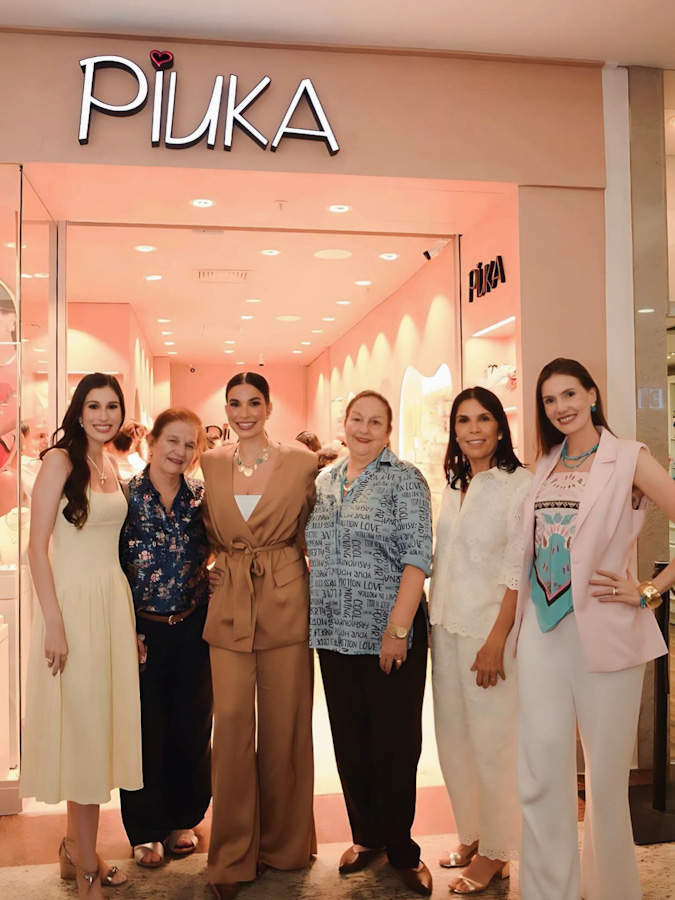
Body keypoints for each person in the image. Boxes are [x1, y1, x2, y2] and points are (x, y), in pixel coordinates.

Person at [514, 358, 670, 900]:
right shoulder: (545, 463)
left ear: (592, 395)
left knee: (603, 781)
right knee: (541, 768)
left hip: (606, 630)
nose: (561, 407)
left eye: (569, 394)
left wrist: (649, 590)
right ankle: (546, 891)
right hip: (541, 631)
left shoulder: (628, 457)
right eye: (550, 399)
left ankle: (610, 891)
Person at [306, 390, 434, 897]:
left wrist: (398, 630)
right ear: (344, 423)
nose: (363, 429)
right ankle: (367, 836)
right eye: (356, 419)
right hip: (335, 633)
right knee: (350, 740)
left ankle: (402, 848)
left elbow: (417, 557)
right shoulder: (325, 480)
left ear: (388, 430)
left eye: (374, 421)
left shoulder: (405, 479)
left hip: (389, 634)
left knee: (395, 744)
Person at [20, 373, 142, 899]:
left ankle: (76, 850)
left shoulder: (109, 463)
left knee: (96, 732)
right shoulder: (59, 461)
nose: (103, 416)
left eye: (112, 406)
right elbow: (35, 548)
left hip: (111, 605)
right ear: (78, 410)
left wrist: (130, 626)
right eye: (94, 406)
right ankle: (86, 863)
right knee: (84, 732)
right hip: (71, 609)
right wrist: (53, 622)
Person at [202, 372, 318, 900]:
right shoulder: (210, 463)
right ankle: (230, 855)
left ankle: (285, 846)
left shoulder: (302, 463)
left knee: (285, 726)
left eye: (253, 402)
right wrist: (208, 567)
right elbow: (203, 533)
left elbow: (315, 532)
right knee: (229, 728)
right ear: (226, 410)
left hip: (286, 600)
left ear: (269, 407)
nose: (244, 412)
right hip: (229, 601)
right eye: (234, 403)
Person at [429, 387, 532, 894]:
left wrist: (497, 639)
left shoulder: (519, 484)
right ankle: (473, 833)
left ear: (499, 427)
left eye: (483, 419)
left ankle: (497, 852)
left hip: (488, 634)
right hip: (444, 629)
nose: (473, 429)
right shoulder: (454, 484)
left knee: (494, 745)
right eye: (464, 420)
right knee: (455, 742)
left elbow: (518, 568)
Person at [119, 408, 212, 868]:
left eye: (190, 444)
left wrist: (217, 576)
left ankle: (183, 819)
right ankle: (145, 829)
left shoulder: (201, 498)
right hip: (142, 632)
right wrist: (125, 628)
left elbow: (222, 546)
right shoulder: (125, 497)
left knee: (191, 727)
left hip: (194, 627)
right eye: (172, 441)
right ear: (152, 442)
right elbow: (112, 566)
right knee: (144, 731)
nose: (180, 451)